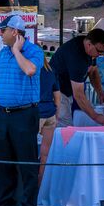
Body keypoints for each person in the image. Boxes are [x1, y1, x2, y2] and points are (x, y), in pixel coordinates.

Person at [0, 15, 45, 206]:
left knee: (26, 163)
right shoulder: (2, 54)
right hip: (4, 114)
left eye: (3, 30)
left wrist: (17, 51)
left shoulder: (34, 52)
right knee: (4, 163)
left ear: (15, 32)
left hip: (25, 113)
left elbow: (30, 70)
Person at [50, 27, 104, 127]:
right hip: (56, 91)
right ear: (89, 45)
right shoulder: (76, 57)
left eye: (103, 53)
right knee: (65, 127)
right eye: (99, 51)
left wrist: (100, 93)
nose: (100, 55)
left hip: (66, 90)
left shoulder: (89, 47)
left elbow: (93, 70)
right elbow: (78, 94)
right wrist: (96, 117)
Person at [37, 55, 61, 185]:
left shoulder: (30, 69)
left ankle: (31, 188)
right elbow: (57, 96)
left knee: (30, 153)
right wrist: (57, 114)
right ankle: (41, 185)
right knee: (45, 153)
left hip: (35, 113)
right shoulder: (50, 71)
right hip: (50, 113)